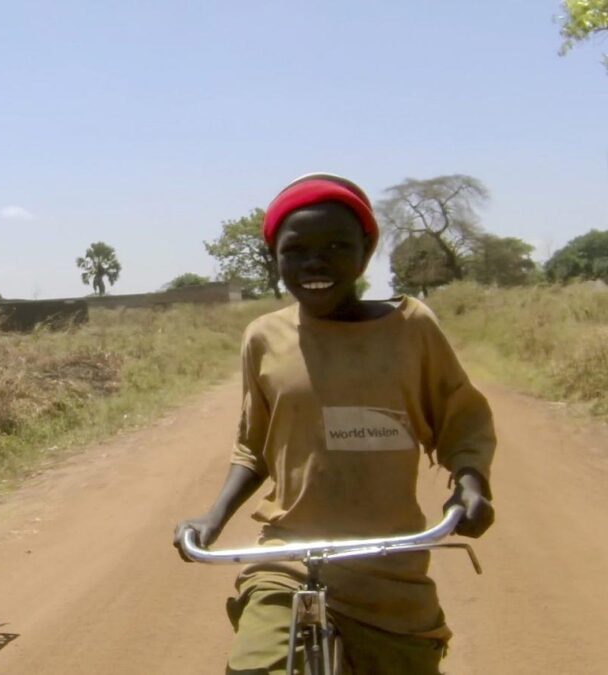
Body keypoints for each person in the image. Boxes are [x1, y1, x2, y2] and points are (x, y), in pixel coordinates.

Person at [173, 174, 496, 675]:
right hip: (290, 556)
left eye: (336, 246)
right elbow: (253, 449)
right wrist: (211, 519)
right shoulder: (264, 338)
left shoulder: (412, 329)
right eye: (295, 249)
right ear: (275, 258)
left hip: (388, 565)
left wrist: (471, 484)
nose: (314, 263)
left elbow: (461, 419)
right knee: (257, 667)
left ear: (366, 253)